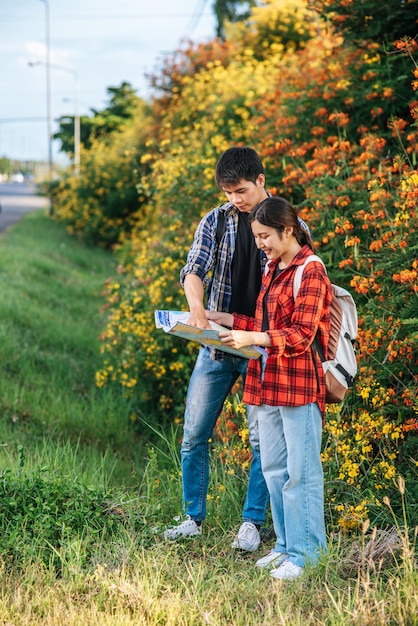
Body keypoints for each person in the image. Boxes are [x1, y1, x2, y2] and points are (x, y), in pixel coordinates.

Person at [207, 196, 332, 580]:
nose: (260, 243)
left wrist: (253, 339)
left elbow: (299, 335)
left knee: (301, 472)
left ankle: (308, 553)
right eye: (257, 236)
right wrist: (223, 320)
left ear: (287, 230)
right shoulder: (272, 267)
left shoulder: (310, 271)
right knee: (275, 469)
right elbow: (262, 320)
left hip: (298, 385)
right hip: (267, 382)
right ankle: (284, 546)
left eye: (265, 236)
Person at [164, 146, 272, 550]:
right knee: (194, 434)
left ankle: (252, 524)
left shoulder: (287, 223)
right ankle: (192, 517)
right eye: (228, 193)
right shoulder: (215, 220)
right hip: (215, 346)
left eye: (241, 191)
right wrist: (197, 309)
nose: (235, 200)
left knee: (261, 441)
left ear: (260, 180)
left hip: (260, 347)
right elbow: (194, 268)